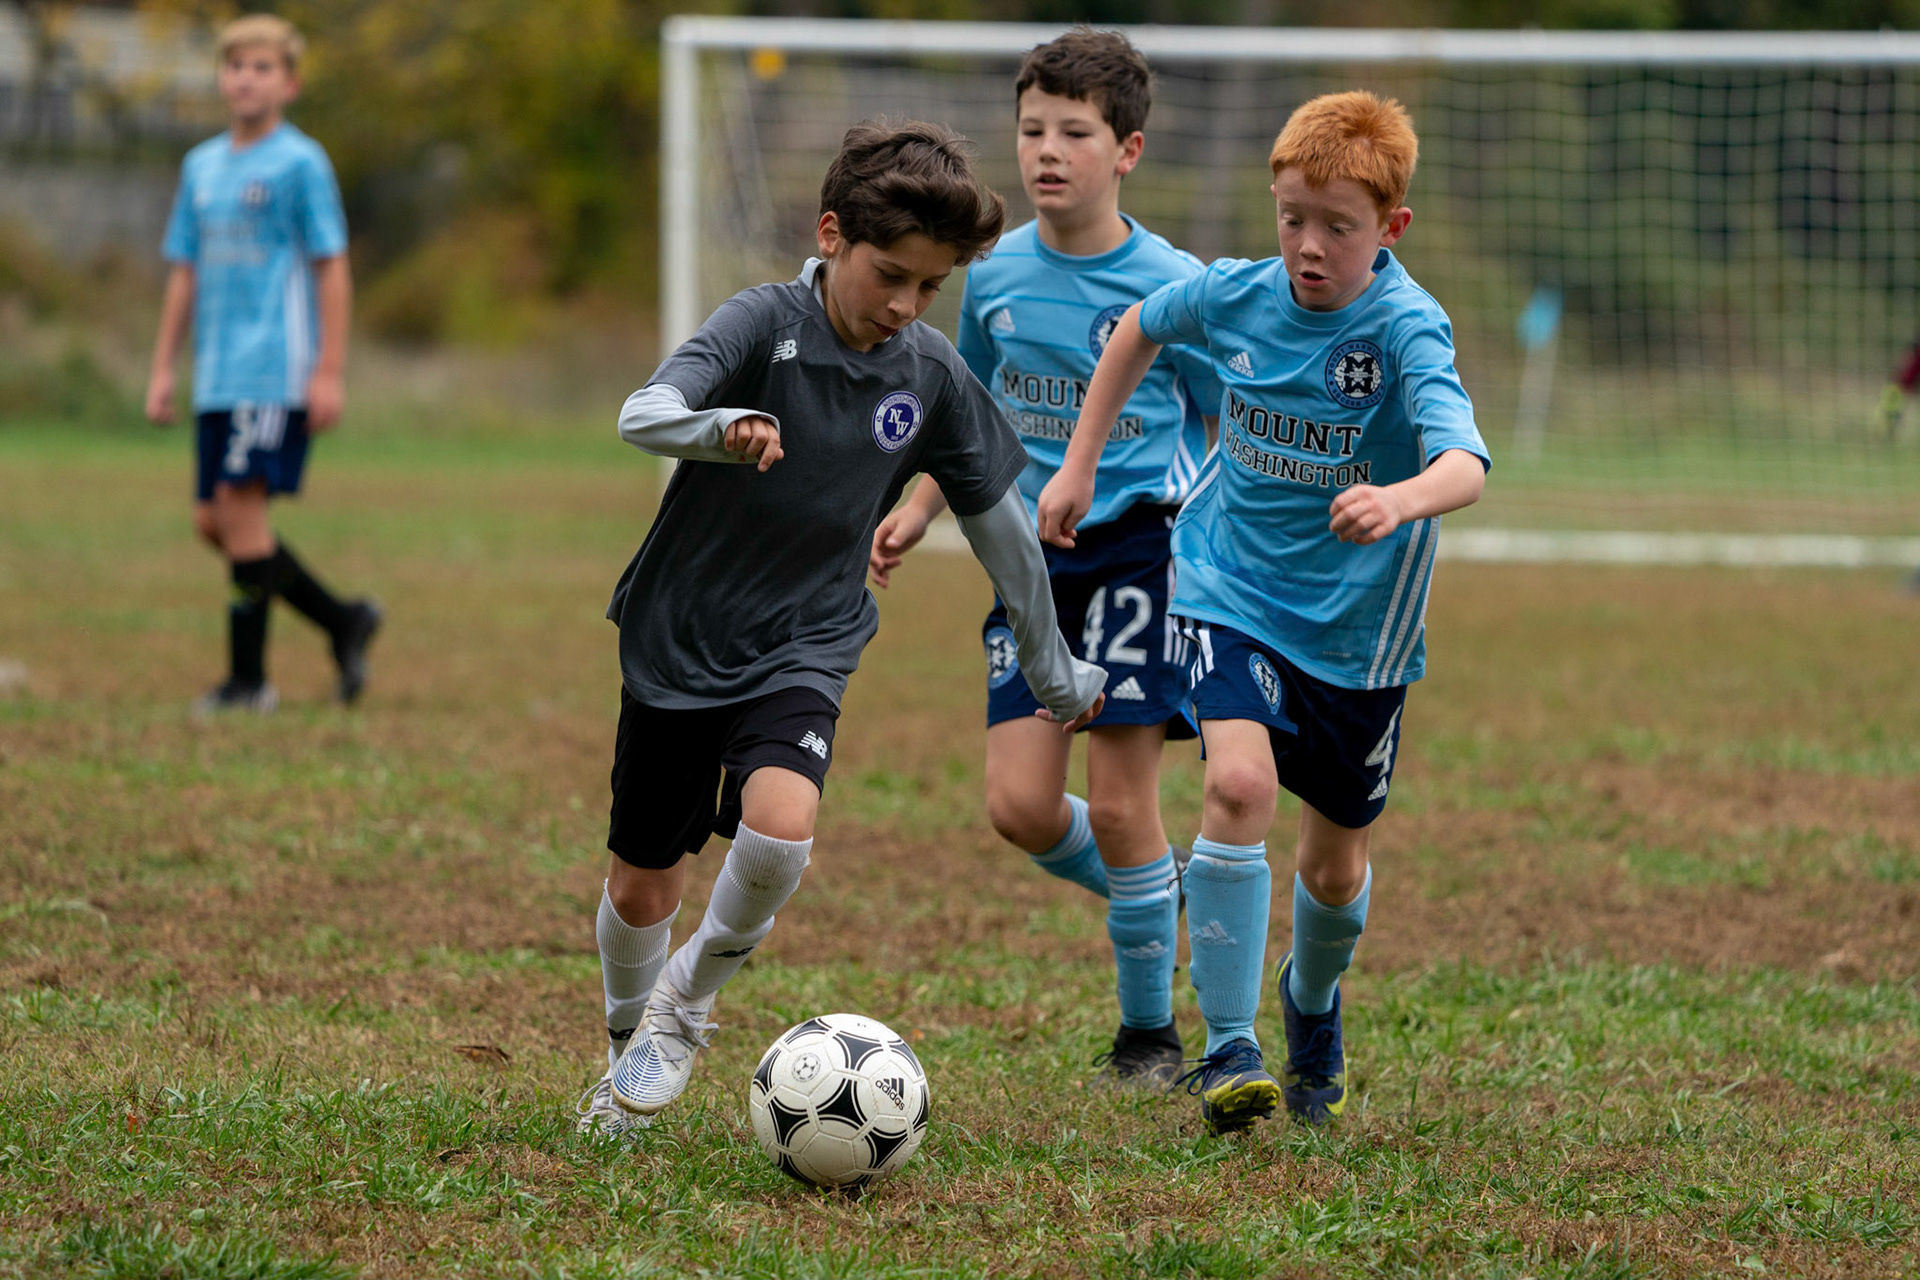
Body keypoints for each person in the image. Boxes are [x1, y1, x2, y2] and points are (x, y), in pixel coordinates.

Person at [575, 121, 1108, 1138]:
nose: (905, 305)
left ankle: (688, 1002)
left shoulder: (932, 376)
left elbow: (1006, 539)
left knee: (780, 825)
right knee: (644, 881)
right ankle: (624, 1041)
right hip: (680, 635)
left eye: (930, 287)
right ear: (830, 234)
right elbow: (642, 414)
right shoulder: (758, 322)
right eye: (890, 275)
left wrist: (1054, 668)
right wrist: (717, 432)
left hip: (808, 636)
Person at [1038, 91, 1489, 1134]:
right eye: (1293, 217)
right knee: (1237, 782)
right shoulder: (1236, 293)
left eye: (1339, 225)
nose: (1310, 245)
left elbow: (1465, 461)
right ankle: (1231, 1046)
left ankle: (1311, 999)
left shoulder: (1407, 325)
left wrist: (1398, 495)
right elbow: (1139, 329)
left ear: (1391, 229)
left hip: (1360, 635)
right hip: (1226, 586)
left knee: (1333, 867)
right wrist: (1079, 461)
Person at [868, 29, 1220, 1089]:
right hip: (1025, 568)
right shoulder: (998, 269)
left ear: (1129, 151)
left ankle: (1147, 1034)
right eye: (1032, 130)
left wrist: (1197, 531)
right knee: (1020, 806)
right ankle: (1162, 891)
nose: (1047, 151)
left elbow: (1219, 422)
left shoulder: (1174, 283)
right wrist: (922, 501)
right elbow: (969, 413)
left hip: (1137, 559)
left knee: (1120, 806)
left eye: (1075, 131)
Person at [145, 14, 381, 715]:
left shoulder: (300, 163)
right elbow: (184, 272)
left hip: (273, 368)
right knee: (213, 523)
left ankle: (247, 683)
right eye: (235, 66)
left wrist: (328, 369)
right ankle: (344, 620)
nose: (245, 78)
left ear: (289, 82)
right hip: (217, 372)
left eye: (261, 67)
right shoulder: (201, 166)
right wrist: (163, 367)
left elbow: (331, 266)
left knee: (242, 514)